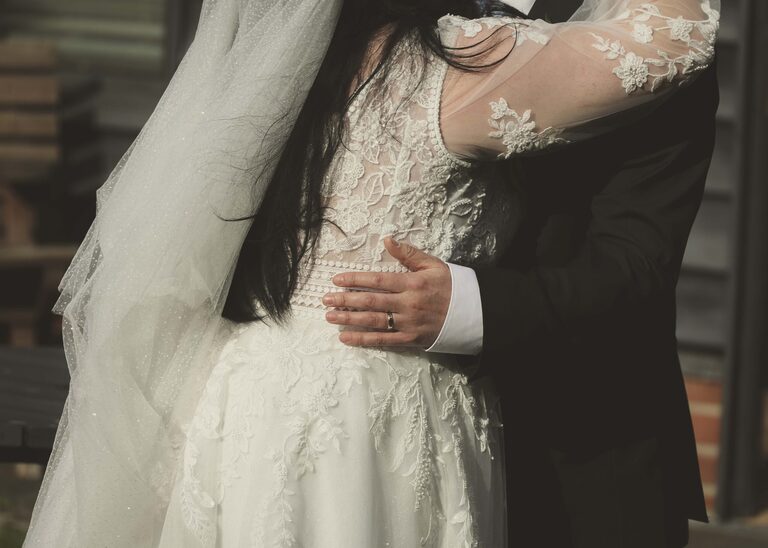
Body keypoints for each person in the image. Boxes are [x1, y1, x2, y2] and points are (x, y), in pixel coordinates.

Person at [23, 0, 719, 546]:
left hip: (259, 396)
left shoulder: (277, 61)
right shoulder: (448, 56)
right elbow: (681, 35)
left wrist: (472, 306)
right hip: (373, 414)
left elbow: (634, 260)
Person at [327, 0, 721, 546]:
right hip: (362, 426)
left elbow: (636, 261)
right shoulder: (367, 14)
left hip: (580, 448)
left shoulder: (646, 37)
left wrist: (467, 307)